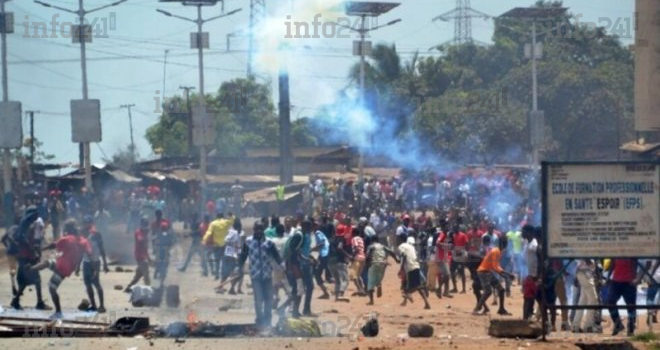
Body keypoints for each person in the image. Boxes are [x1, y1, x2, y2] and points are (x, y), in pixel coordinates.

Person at [32, 219, 92, 319]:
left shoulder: (67, 239)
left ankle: (59, 312)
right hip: (64, 266)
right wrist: (78, 267)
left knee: (52, 287)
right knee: (47, 262)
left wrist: (42, 248)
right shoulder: (82, 240)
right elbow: (85, 254)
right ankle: (31, 269)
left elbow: (53, 245)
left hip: (62, 268)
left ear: (68, 229)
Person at [237, 221, 284, 331]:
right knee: (258, 300)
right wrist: (238, 267)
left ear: (263, 230)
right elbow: (243, 256)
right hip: (255, 276)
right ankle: (259, 320)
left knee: (268, 299)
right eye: (257, 229)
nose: (258, 231)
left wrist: (282, 265)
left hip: (267, 275)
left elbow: (276, 255)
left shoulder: (269, 242)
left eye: (260, 229)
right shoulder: (248, 242)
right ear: (254, 229)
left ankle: (267, 321)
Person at [9, 206, 51, 310]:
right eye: (35, 214)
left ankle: (17, 300)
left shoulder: (26, 224)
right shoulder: (26, 226)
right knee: (36, 279)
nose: (36, 216)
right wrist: (34, 251)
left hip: (25, 256)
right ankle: (38, 302)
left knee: (26, 280)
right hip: (27, 256)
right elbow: (24, 240)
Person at [473, 235, 514, 316]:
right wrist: (507, 274)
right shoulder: (496, 251)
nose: (505, 244)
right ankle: (476, 309)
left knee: (501, 290)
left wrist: (506, 274)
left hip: (488, 271)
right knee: (488, 291)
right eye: (505, 242)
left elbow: (495, 266)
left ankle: (501, 309)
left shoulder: (498, 251)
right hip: (483, 272)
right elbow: (496, 267)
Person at [79, 215, 109, 313]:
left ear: (91, 224)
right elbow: (81, 251)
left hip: (95, 262)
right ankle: (94, 305)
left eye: (87, 223)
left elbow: (102, 249)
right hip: (86, 263)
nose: (85, 225)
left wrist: (105, 264)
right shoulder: (81, 235)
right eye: (84, 223)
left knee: (96, 283)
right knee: (88, 285)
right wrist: (77, 266)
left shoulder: (96, 234)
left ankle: (102, 305)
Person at [607, 258, 643, 336]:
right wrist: (608, 277)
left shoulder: (632, 252)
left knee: (631, 306)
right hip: (616, 281)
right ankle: (618, 324)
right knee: (610, 302)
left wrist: (636, 279)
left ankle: (631, 328)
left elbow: (640, 264)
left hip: (629, 282)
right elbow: (612, 264)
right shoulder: (616, 251)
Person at [397, 234, 431, 309]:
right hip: (416, 266)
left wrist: (401, 268)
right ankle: (427, 304)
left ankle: (410, 294)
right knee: (413, 286)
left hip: (410, 267)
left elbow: (404, 256)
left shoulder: (401, 247)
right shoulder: (411, 247)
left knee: (413, 287)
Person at [365, 236, 399, 305]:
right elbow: (391, 251)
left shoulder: (371, 246)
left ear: (372, 241)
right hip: (383, 264)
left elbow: (367, 255)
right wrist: (396, 259)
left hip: (374, 263)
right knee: (378, 276)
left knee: (370, 282)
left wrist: (367, 263)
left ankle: (371, 301)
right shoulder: (382, 246)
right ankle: (379, 284)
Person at [203, 213, 234, 280]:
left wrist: (204, 240)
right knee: (224, 260)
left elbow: (209, 233)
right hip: (224, 244)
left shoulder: (213, 223)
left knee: (217, 260)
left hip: (216, 244)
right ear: (223, 217)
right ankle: (223, 274)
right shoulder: (226, 222)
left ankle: (217, 274)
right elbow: (232, 221)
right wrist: (231, 215)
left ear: (216, 217)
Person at [125, 217, 153, 292]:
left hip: (143, 256)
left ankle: (129, 288)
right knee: (146, 274)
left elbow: (145, 249)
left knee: (138, 275)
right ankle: (149, 290)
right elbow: (140, 239)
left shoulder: (145, 233)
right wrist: (145, 234)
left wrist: (149, 258)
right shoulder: (139, 232)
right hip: (139, 256)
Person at [572, 259, 599, 333]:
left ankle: (576, 325)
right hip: (585, 273)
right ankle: (588, 326)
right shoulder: (587, 248)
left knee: (583, 300)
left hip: (585, 273)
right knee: (593, 299)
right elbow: (587, 259)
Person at [219, 219, 243, 294]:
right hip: (232, 256)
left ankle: (222, 287)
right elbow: (227, 241)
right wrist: (234, 246)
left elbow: (226, 241)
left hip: (227, 255)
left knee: (226, 273)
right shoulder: (235, 233)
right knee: (237, 274)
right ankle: (231, 288)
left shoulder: (231, 232)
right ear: (239, 227)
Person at [312, 222, 330, 299]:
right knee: (317, 273)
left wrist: (311, 249)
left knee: (316, 273)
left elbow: (322, 243)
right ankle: (325, 291)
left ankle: (326, 292)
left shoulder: (317, 233)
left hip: (324, 255)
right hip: (324, 254)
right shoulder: (320, 233)